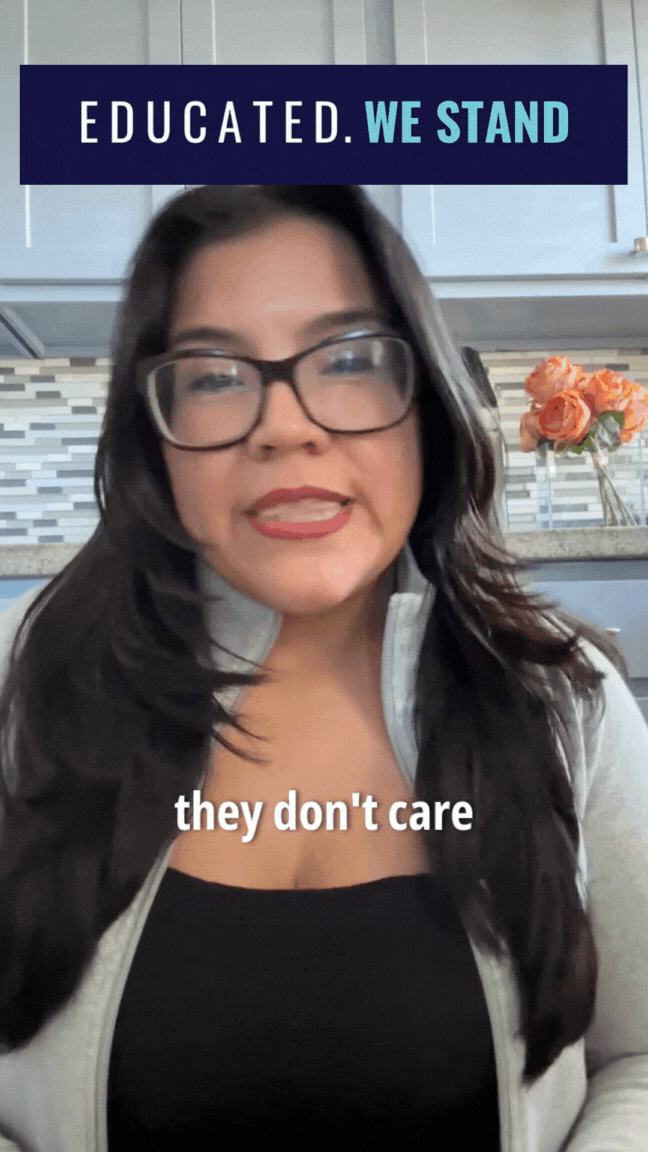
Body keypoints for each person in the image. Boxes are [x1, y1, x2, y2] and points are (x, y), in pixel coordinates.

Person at [0, 185, 647, 1152]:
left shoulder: (566, 698)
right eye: (214, 376)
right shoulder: (23, 684)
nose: (285, 427)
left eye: (348, 360)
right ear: (156, 440)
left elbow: (638, 1054)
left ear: (426, 404)